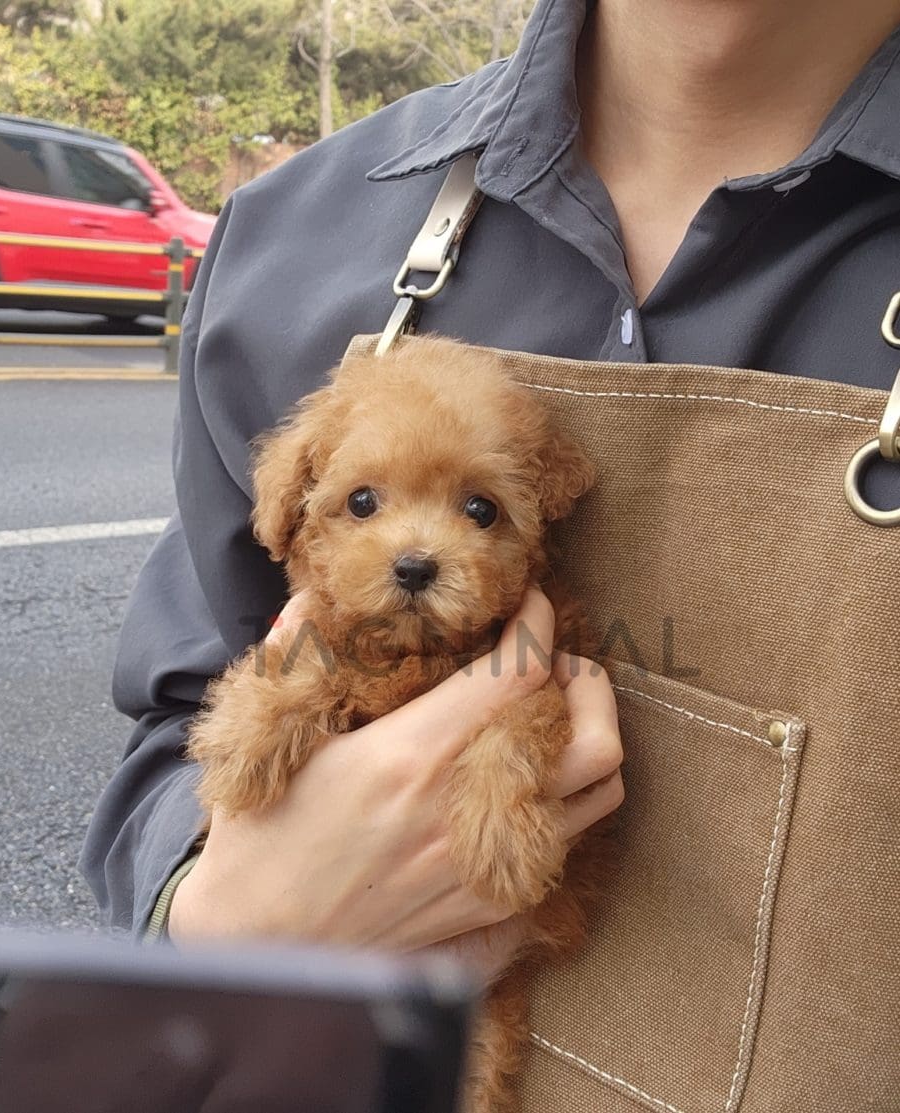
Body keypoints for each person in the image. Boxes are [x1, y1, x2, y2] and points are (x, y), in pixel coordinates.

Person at [82, 0, 900, 958]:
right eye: (365, 500)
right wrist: (221, 914)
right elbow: (180, 707)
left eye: (480, 507)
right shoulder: (284, 240)